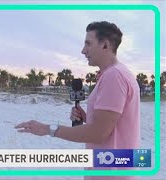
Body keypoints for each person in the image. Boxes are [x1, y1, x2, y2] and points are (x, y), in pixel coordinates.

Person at [15, 21, 140, 180]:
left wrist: (48, 129)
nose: (83, 50)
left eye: (88, 43)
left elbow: (98, 134)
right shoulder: (119, 73)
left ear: (105, 45)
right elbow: (111, 127)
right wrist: (88, 118)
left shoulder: (114, 76)